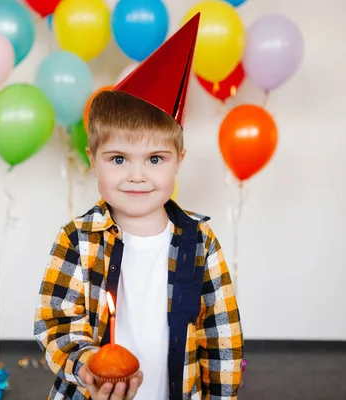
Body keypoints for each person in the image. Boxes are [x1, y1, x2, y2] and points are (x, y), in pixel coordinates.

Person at [34, 13, 243, 400]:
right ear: (92, 159)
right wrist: (88, 365)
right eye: (118, 159)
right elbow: (57, 323)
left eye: (155, 159)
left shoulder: (201, 241)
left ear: (179, 159)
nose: (136, 176)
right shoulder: (77, 240)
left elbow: (221, 337)